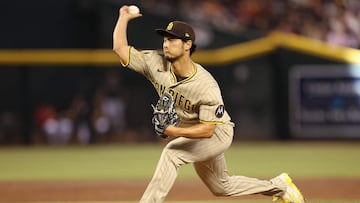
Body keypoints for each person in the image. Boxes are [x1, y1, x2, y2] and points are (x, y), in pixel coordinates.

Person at [112, 5, 306, 203]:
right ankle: (280, 186)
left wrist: (173, 131)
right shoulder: (155, 63)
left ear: (187, 45)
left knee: (172, 153)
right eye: (164, 39)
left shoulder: (205, 85)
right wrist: (123, 18)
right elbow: (120, 49)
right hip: (193, 131)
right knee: (222, 186)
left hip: (217, 132)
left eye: (171, 39)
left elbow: (208, 130)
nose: (165, 44)